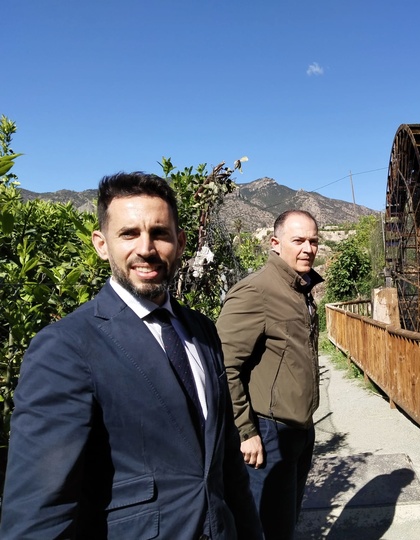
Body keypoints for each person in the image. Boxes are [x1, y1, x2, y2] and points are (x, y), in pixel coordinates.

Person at [0, 172, 263, 539]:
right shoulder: (64, 347)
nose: (146, 248)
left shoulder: (203, 331)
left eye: (159, 233)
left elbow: (227, 468)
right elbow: (42, 509)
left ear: (180, 242)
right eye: (129, 234)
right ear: (101, 244)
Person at [216, 209, 323, 540]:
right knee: (265, 529)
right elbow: (223, 365)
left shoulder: (298, 288)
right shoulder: (257, 291)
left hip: (300, 432)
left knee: (285, 522)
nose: (308, 248)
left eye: (314, 241)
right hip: (268, 434)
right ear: (276, 243)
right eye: (299, 240)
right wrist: (246, 431)